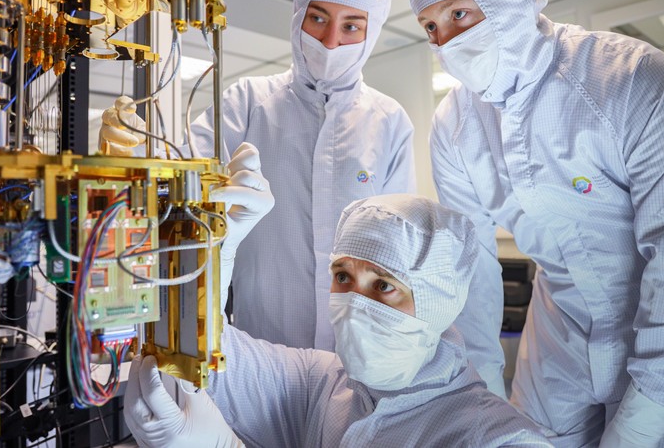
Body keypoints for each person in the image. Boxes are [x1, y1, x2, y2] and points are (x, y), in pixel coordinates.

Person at [405, 0, 664, 447]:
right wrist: (481, 397)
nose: (447, 43)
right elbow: (473, 270)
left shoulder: (633, 81)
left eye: (459, 13)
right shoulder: (454, 124)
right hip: (555, 339)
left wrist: (640, 425)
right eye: (430, 27)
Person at [100, 0, 416, 353]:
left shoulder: (389, 120)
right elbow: (183, 179)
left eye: (351, 25)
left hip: (357, 349)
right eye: (318, 18)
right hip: (262, 345)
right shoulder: (247, 101)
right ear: (298, 15)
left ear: (370, 34)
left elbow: (399, 247)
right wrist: (139, 150)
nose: (331, 40)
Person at [123, 189, 553, 447]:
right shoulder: (325, 382)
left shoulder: (500, 439)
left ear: (437, 303)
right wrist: (213, 259)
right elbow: (211, 353)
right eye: (342, 276)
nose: (354, 302)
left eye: (383, 285)